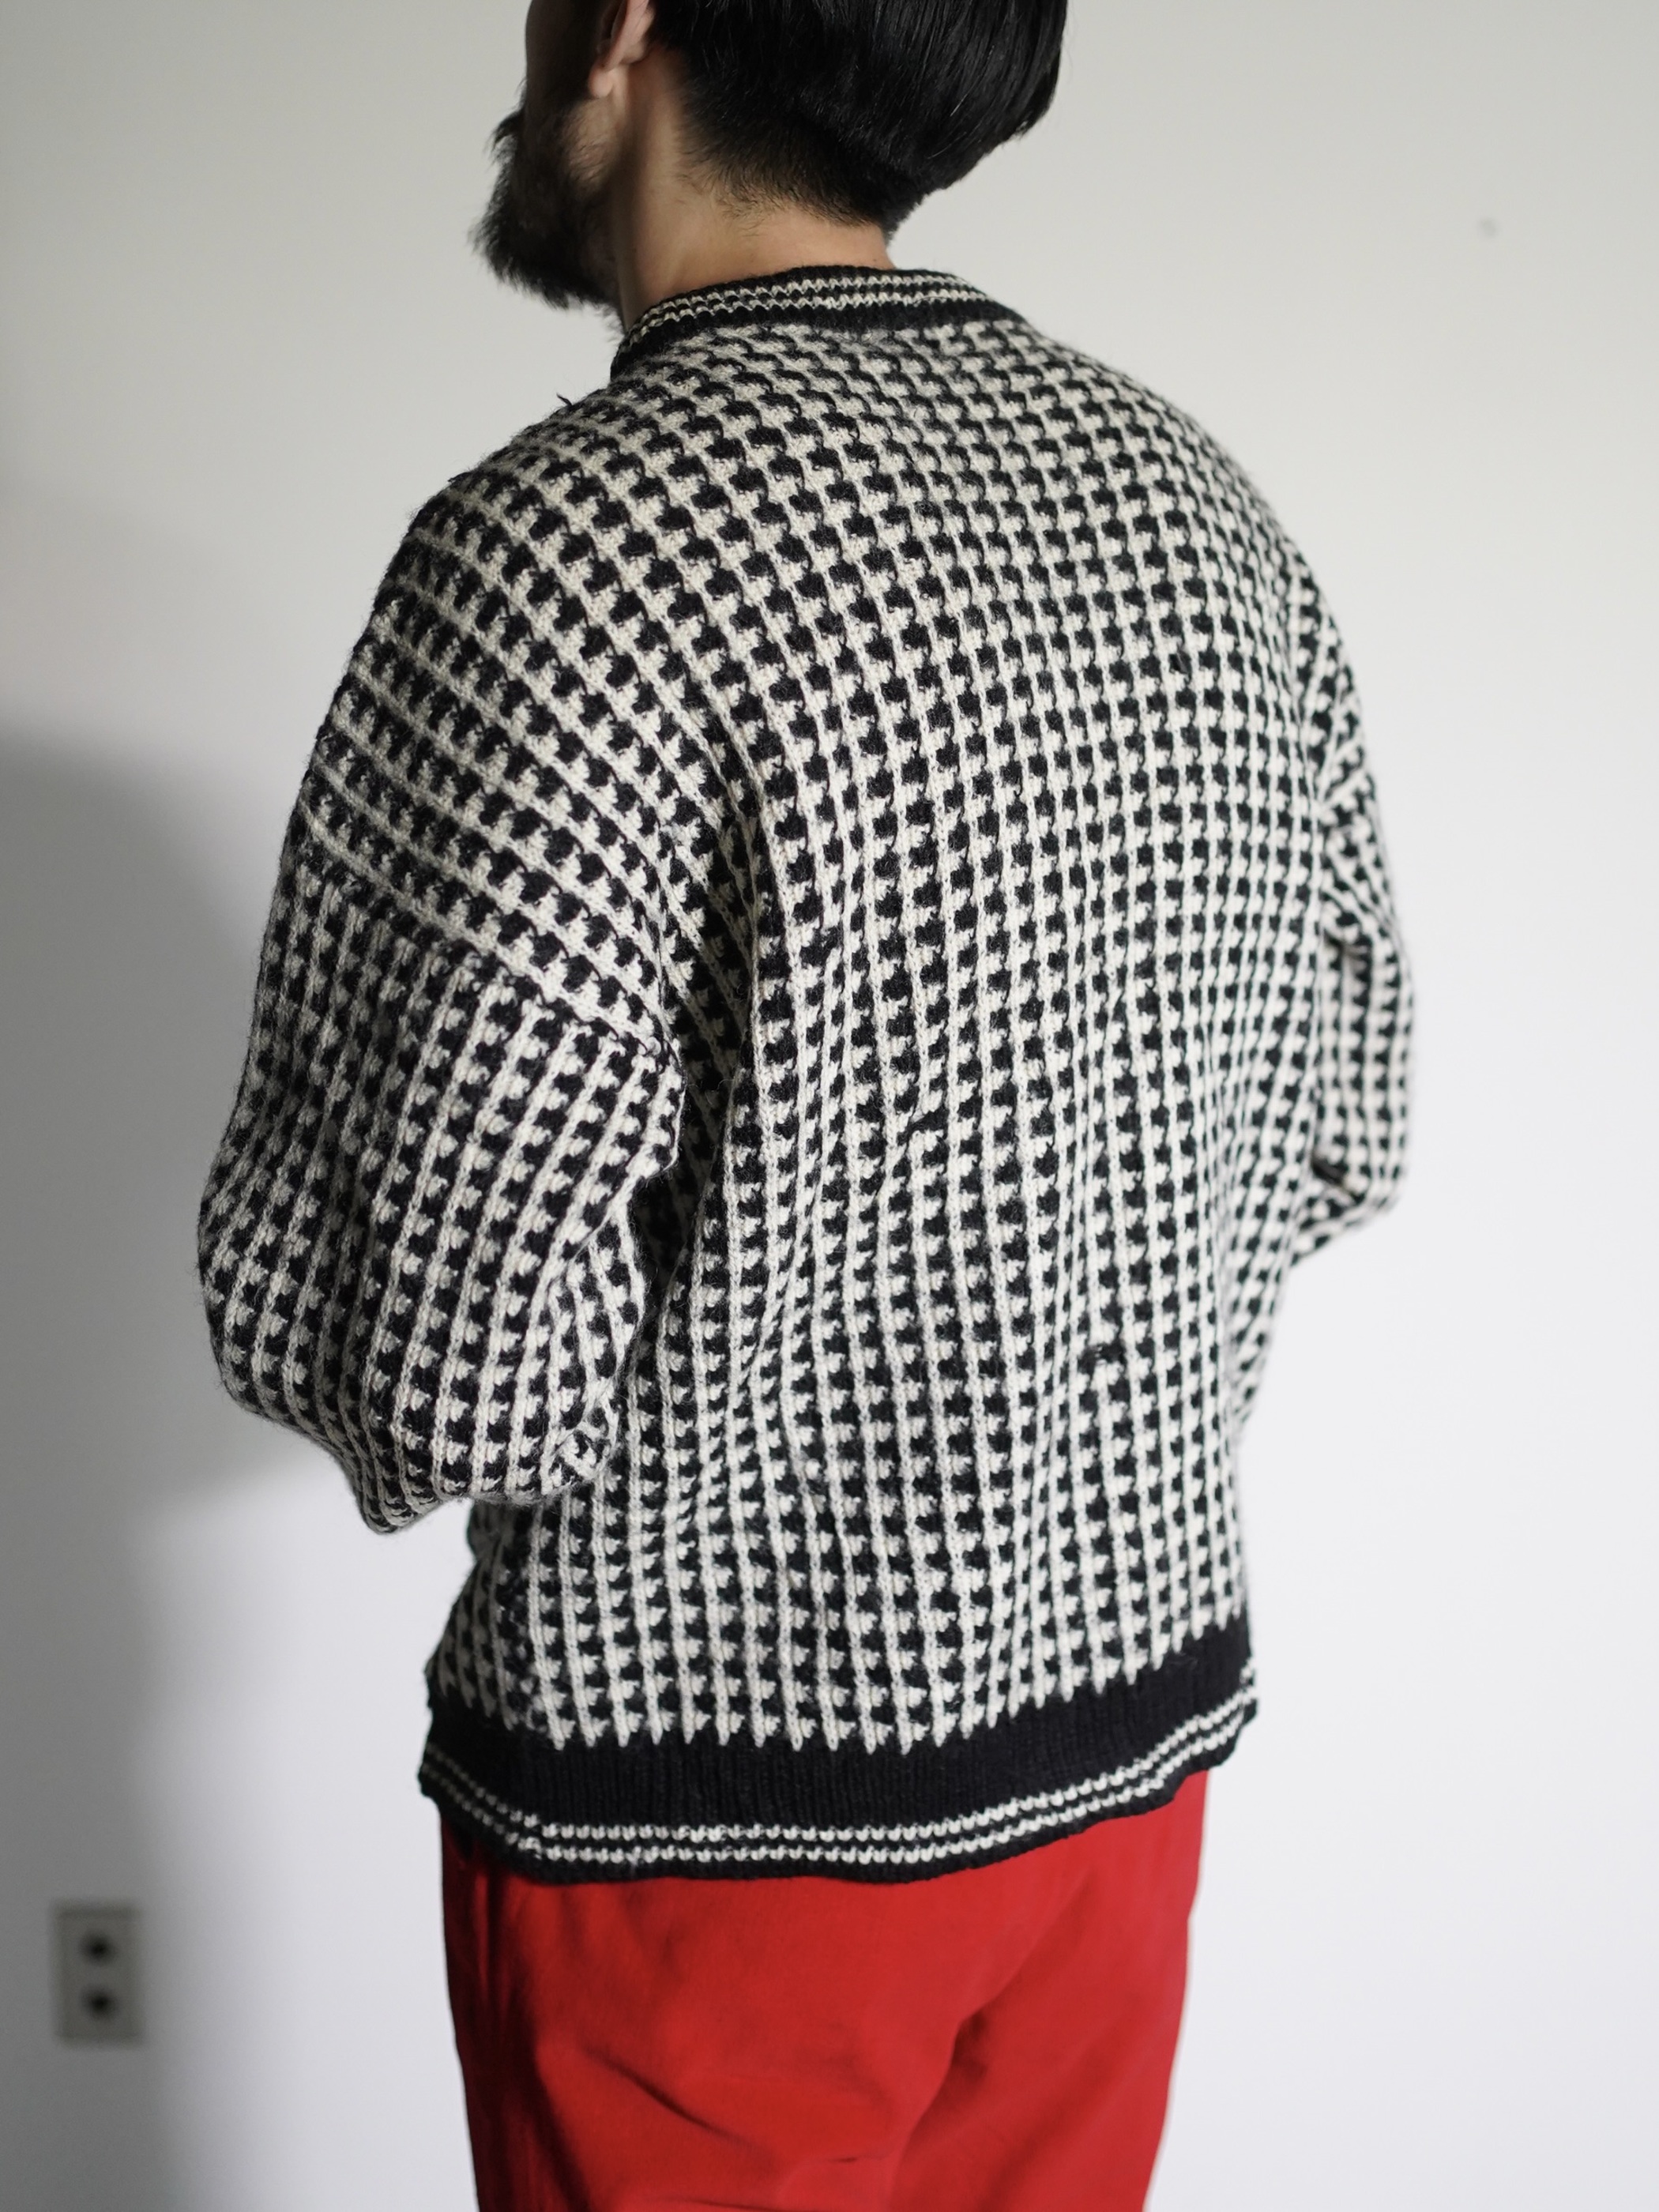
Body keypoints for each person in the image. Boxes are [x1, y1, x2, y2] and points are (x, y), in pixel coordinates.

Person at [198, 1, 1412, 2204]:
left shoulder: (568, 554)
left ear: (625, 26)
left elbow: (438, 1366)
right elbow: (1341, 1118)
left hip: (715, 1835)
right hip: (1119, 1770)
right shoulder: (1188, 496)